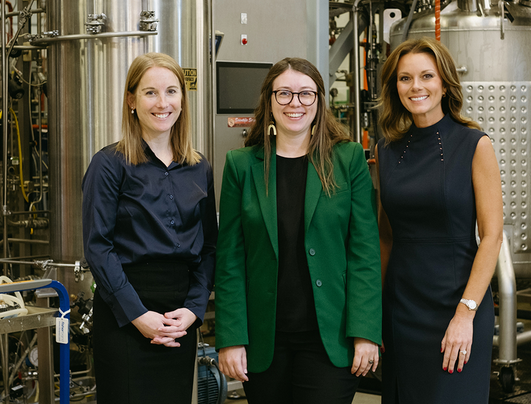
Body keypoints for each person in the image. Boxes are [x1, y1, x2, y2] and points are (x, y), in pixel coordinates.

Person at [214, 57, 382, 404]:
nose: (295, 103)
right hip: (264, 341)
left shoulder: (347, 159)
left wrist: (365, 332)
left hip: (331, 339)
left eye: (306, 94)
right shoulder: (241, 166)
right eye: (285, 94)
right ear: (269, 100)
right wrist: (231, 337)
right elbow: (230, 259)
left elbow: (364, 251)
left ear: (320, 101)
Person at [82, 52, 217, 404]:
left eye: (172, 92)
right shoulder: (109, 164)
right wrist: (138, 315)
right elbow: (98, 247)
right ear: (131, 100)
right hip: (125, 314)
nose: (163, 103)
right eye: (150, 93)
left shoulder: (199, 168)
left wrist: (193, 309)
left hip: (179, 318)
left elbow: (208, 247)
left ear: (183, 101)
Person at [376, 37, 503, 403]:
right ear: (394, 87)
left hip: (457, 304)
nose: (416, 87)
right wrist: (374, 312)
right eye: (405, 78)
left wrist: (465, 314)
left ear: (444, 84)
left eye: (426, 76)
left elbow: (491, 236)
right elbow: (386, 236)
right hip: (402, 308)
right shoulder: (385, 151)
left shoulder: (475, 145)